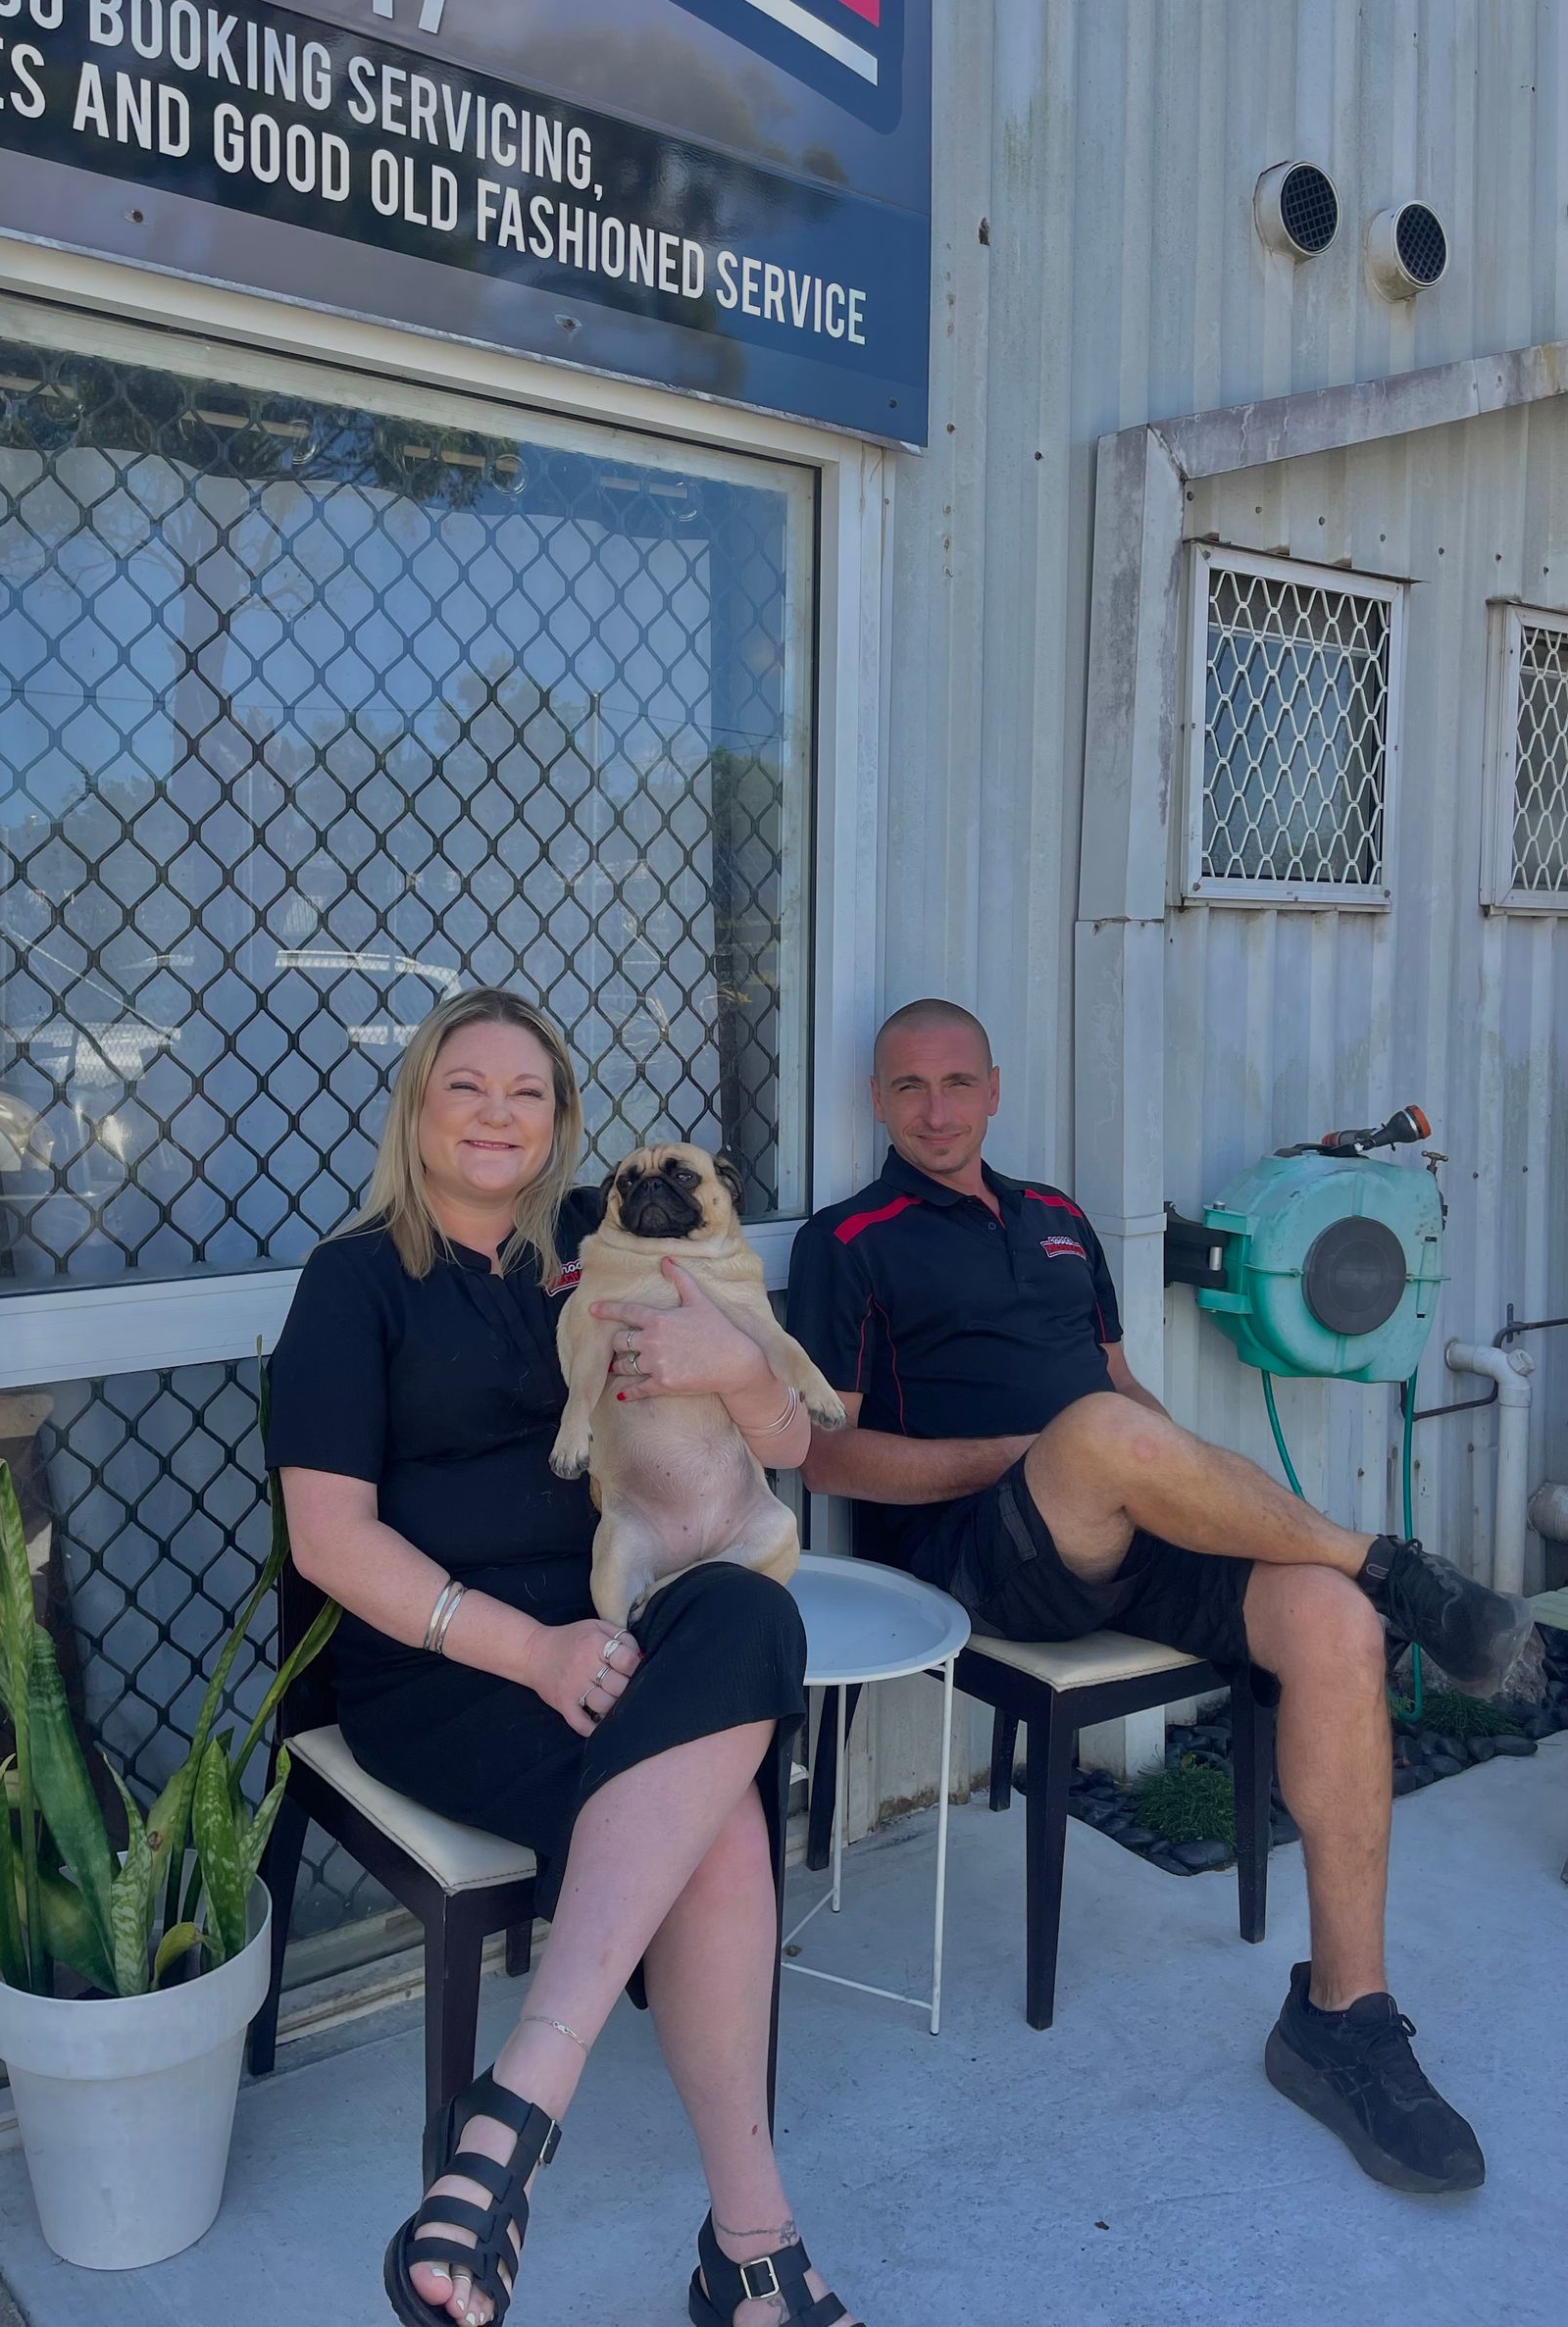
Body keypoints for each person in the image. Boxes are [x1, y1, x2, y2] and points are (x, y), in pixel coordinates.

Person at [787, 997, 1533, 2200]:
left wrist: (1179, 1492)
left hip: (1113, 1525)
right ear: (879, 1101)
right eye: (910, 1087)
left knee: (1330, 1625)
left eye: (958, 1083)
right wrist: (1045, 1452)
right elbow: (827, 1456)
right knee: (1096, 1433)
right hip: (973, 1555)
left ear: (994, 1090)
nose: (936, 1109)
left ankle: (1345, 2015)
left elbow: (1135, 1400)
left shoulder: (1061, 1223)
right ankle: (1397, 1567)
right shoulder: (847, 1240)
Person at [267, 987, 863, 2327]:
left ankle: (512, 2114)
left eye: (525, 1093)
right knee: (711, 1816)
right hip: (446, 1664)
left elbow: (785, 1451)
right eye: (464, 1085)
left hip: (624, 1624)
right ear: (418, 1107)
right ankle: (754, 2251)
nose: (495, 1114)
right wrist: (529, 1649)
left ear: (560, 1123)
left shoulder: (613, 1241)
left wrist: (734, 1361)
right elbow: (328, 1540)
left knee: (757, 1617)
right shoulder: (354, 1282)